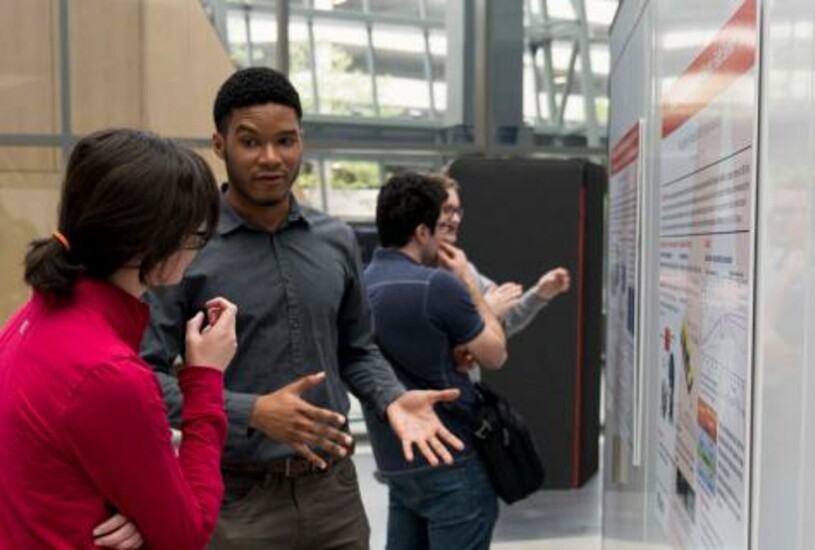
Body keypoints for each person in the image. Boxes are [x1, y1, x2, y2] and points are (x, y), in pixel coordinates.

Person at [141, 67, 464, 549]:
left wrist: (392, 396)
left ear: (301, 142)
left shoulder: (334, 240)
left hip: (332, 495)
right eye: (250, 142)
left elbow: (356, 349)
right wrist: (252, 411)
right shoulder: (186, 246)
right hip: (233, 500)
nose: (271, 158)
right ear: (219, 144)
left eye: (286, 141)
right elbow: (144, 378)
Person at [0, 128, 238, 549]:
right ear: (155, 242)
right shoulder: (108, 372)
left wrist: (139, 505)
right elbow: (187, 533)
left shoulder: (30, 320)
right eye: (196, 235)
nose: (199, 247)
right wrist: (205, 378)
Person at [364, 173, 507, 550]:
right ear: (423, 232)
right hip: (451, 460)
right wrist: (469, 284)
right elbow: (495, 353)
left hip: (396, 463)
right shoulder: (436, 285)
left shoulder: (359, 286)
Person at [434, 174, 570, 339]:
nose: (455, 219)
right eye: (447, 210)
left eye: (457, 211)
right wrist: (485, 313)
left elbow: (505, 321)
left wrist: (539, 294)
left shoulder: (464, 267)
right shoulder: (413, 271)